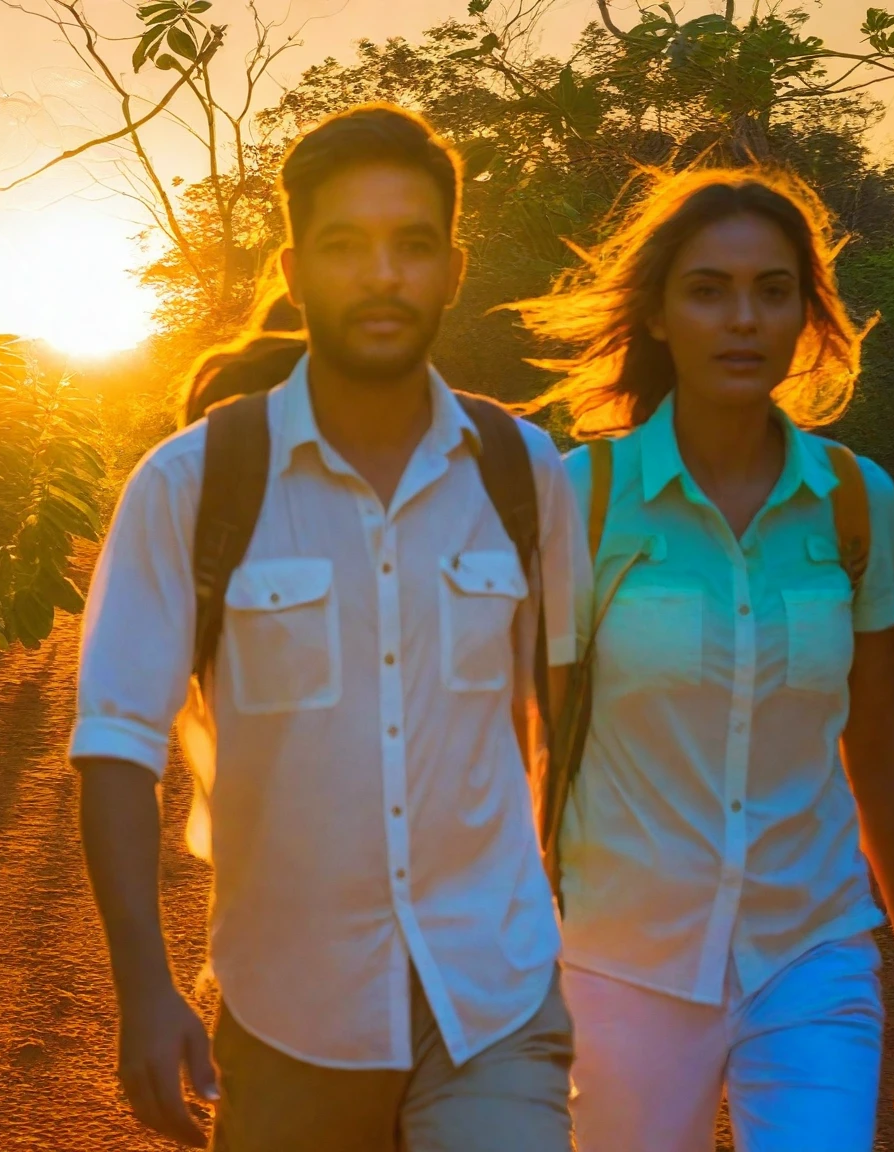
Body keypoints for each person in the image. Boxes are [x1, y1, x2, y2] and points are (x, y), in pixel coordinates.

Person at [70, 104, 586, 1151]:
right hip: (288, 1009)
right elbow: (116, 745)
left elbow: (567, 720)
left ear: (452, 266)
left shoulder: (522, 473)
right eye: (346, 246)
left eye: (412, 244)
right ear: (296, 269)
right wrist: (144, 990)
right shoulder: (195, 484)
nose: (383, 274)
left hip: (493, 998)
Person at [516, 166, 894, 1151]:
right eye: (708, 289)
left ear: (806, 314)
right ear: (662, 313)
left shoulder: (855, 499)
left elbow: (876, 743)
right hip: (621, 963)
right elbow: (532, 744)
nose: (743, 318)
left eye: (772, 290)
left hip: (812, 949)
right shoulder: (581, 500)